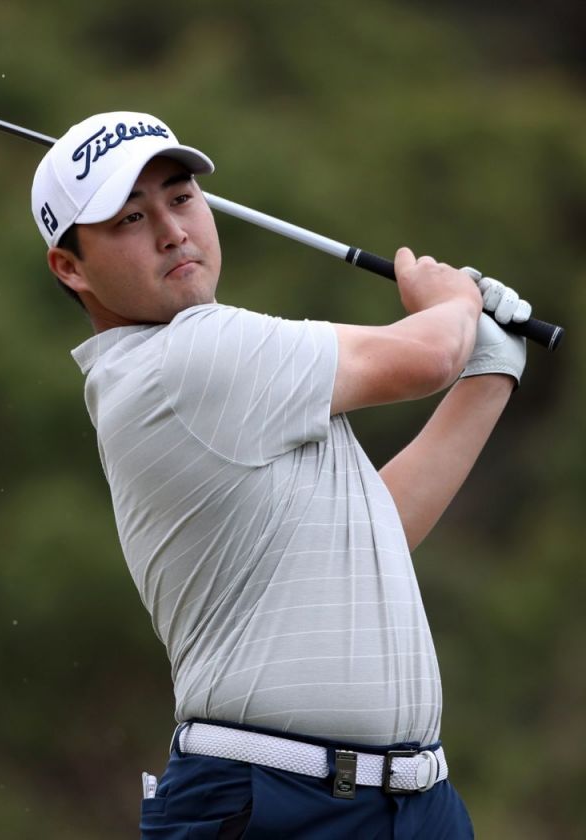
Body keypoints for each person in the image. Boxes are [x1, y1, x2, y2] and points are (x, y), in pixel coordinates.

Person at [30, 112, 530, 839]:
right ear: (70, 267)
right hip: (276, 801)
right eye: (130, 218)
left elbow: (375, 534)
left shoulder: (224, 373)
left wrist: (489, 369)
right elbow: (425, 357)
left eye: (181, 198)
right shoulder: (185, 358)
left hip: (413, 805)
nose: (171, 231)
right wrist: (454, 301)